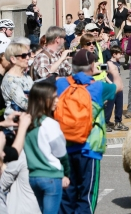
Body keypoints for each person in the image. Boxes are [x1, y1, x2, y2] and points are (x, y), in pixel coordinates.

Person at [56, 49, 122, 214]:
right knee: (86, 196)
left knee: (67, 195)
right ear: (92, 66)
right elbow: (119, 87)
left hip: (64, 146)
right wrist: (113, 70)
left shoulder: (60, 84)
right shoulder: (98, 87)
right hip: (89, 148)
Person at [24, 81, 70, 214]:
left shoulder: (26, 122)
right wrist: (66, 174)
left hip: (32, 177)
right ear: (42, 100)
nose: (57, 100)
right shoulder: (50, 124)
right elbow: (61, 154)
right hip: (51, 177)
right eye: (53, 97)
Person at [2, 42, 34, 116]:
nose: (28, 58)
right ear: (13, 59)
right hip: (16, 122)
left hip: (31, 117)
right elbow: (25, 104)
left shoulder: (26, 76)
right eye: (24, 56)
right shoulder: (9, 80)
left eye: (28, 54)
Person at [102, 46, 128, 132]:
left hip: (118, 88)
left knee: (119, 105)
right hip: (112, 87)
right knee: (109, 105)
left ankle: (118, 122)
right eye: (120, 54)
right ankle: (105, 122)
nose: (121, 55)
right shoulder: (107, 63)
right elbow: (103, 75)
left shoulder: (118, 63)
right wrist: (111, 84)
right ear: (114, 54)